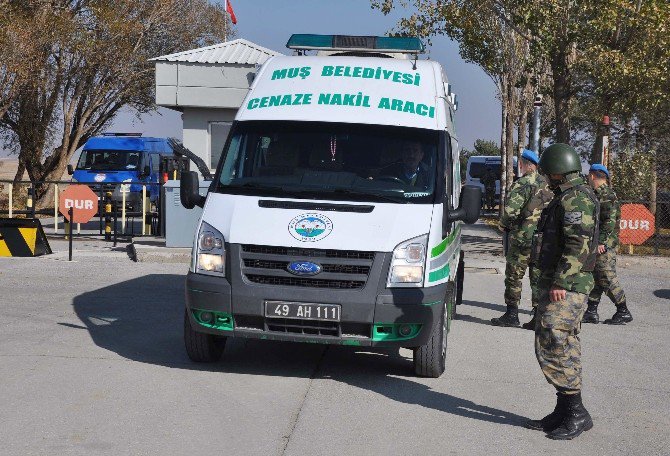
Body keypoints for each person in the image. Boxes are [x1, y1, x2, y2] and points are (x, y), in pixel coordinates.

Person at [525, 143, 599, 440]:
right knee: (564, 342)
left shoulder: (577, 198)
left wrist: (560, 282)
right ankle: (566, 409)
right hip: (564, 284)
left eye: (548, 173)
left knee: (554, 340)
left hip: (568, 286)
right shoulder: (567, 195)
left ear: (558, 171)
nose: (546, 177)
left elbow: (577, 246)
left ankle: (576, 412)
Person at [492, 149, 553, 329]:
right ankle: (537, 316)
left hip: (522, 238)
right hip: (542, 239)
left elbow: (511, 211)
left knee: (514, 275)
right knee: (537, 276)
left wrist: (503, 225)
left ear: (525, 164)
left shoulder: (523, 184)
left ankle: (512, 314)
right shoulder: (547, 184)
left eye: (520, 163)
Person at [582, 164, 632, 325]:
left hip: (605, 245)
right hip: (599, 243)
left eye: (588, 176)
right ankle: (591, 311)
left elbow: (609, 222)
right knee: (596, 277)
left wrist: (601, 241)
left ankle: (623, 310)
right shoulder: (598, 194)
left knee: (607, 277)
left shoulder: (607, 195)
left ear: (592, 176)